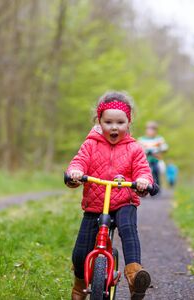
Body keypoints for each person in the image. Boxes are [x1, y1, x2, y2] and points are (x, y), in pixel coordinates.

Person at [66, 91, 153, 300]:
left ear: (128, 123)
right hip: (95, 204)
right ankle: (79, 286)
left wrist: (143, 181)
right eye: (109, 122)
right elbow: (78, 161)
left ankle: (134, 275)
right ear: (99, 122)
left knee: (128, 230)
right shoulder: (90, 144)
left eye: (120, 122)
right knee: (80, 253)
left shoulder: (134, 148)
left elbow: (142, 169)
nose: (114, 127)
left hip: (124, 201)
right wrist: (75, 173)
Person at [138, 121, 168, 188]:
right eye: (148, 129)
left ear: (156, 131)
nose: (150, 131)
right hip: (145, 160)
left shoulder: (159, 139)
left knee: (156, 171)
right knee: (145, 173)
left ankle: (157, 187)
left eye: (152, 129)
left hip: (156, 160)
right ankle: (147, 187)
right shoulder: (141, 140)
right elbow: (138, 150)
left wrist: (157, 151)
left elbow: (165, 148)